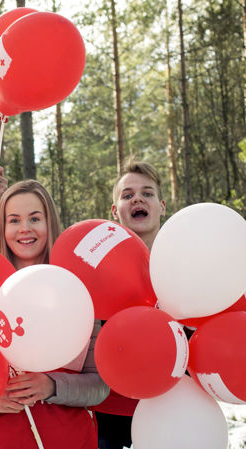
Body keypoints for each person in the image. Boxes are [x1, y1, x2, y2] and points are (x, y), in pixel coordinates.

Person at [0, 179, 109, 449]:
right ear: (2, 227)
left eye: (35, 218)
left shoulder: (78, 292)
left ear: (49, 223)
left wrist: (51, 386)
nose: (25, 229)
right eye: (14, 220)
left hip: (65, 438)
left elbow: (99, 386)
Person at [95, 158, 166, 449]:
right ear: (116, 212)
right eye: (127, 195)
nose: (137, 198)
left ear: (161, 206)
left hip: (171, 411)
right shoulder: (96, 268)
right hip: (107, 416)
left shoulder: (186, 265)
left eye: (147, 193)